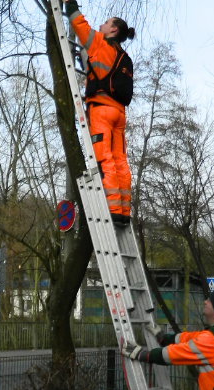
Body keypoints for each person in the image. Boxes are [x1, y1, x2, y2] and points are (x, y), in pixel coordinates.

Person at [66, 0, 136, 227]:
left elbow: (78, 23)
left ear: (113, 29)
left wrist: (70, 3)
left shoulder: (99, 43)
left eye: (106, 23)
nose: (101, 25)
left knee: (104, 157)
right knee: (120, 161)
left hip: (102, 112)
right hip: (119, 114)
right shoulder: (124, 57)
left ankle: (113, 210)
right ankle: (124, 210)